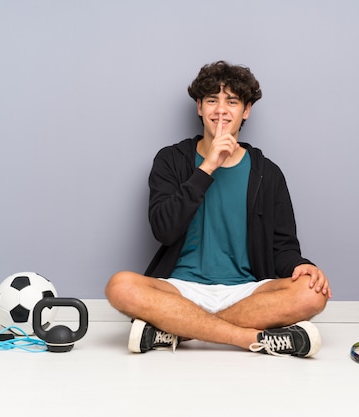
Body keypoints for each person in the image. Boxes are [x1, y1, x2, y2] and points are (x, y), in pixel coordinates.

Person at [105, 60, 331, 358]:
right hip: (181, 290)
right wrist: (207, 167)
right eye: (212, 100)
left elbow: (283, 247)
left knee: (312, 293)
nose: (221, 110)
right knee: (120, 286)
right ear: (199, 107)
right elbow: (164, 229)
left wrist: (301, 265)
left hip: (247, 293)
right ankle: (249, 337)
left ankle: (175, 330)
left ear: (246, 110)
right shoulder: (171, 160)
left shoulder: (267, 173)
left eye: (232, 102)